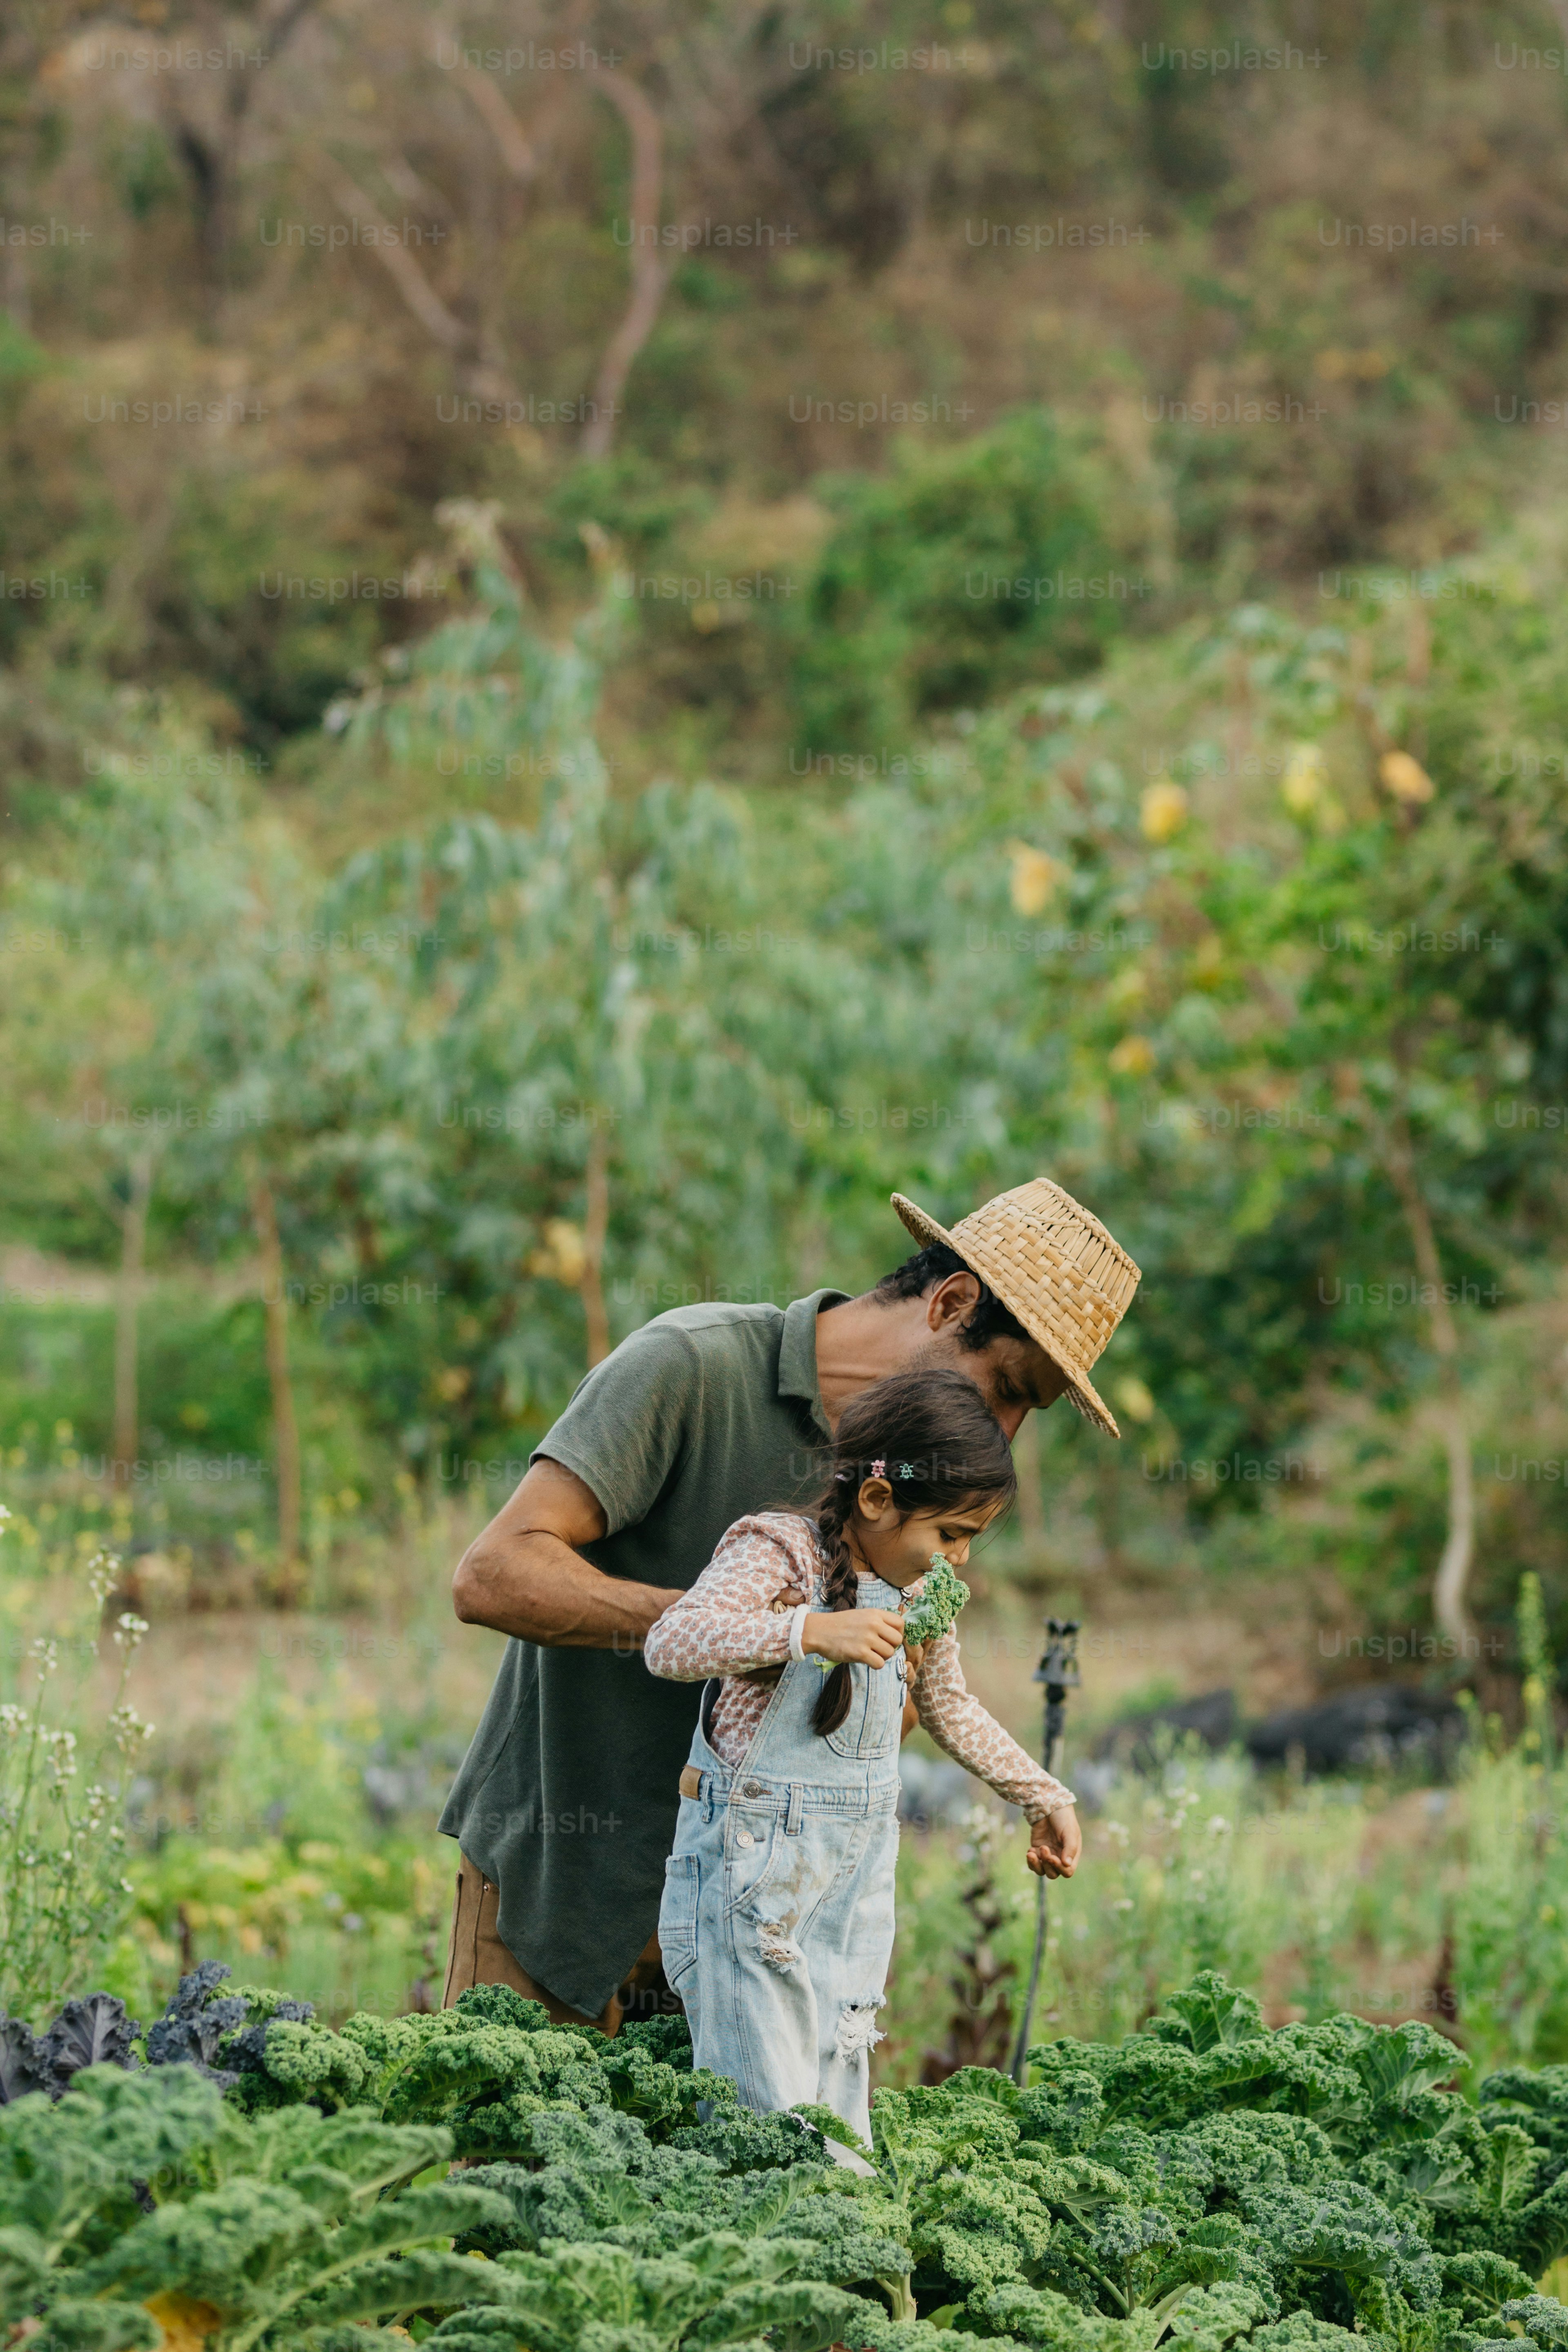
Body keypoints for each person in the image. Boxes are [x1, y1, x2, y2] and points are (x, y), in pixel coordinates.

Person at [439, 1176, 1140, 2029]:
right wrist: (757, 1635)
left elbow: (901, 1710)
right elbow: (494, 1576)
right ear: (952, 1302)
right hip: (560, 1884)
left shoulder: (916, 1477)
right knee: (519, 2155)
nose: (1002, 1434)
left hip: (746, 1915)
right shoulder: (693, 1366)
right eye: (1009, 1389)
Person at [643, 1367, 1077, 2144]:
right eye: (950, 1534)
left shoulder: (921, 1594)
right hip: (754, 1883)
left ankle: (835, 2259)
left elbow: (950, 1705)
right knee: (765, 2118)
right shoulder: (778, 1550)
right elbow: (672, 1642)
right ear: (878, 1500)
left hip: (851, 1886)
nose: (961, 1560)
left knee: (837, 2108)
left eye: (972, 1539)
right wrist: (803, 1632)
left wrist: (1043, 1794)